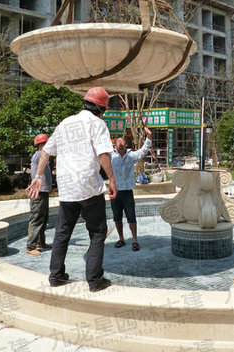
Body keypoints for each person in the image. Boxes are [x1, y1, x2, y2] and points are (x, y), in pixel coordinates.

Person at [28, 87, 117, 293]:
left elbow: (46, 152)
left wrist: (38, 177)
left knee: (62, 233)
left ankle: (56, 275)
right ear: (101, 109)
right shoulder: (97, 124)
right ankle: (95, 280)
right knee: (98, 232)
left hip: (67, 188)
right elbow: (103, 154)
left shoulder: (65, 123)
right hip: (88, 186)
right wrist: (112, 179)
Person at [110, 126, 152, 251]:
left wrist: (149, 137)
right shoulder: (110, 156)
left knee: (131, 216)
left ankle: (134, 240)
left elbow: (143, 151)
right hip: (115, 191)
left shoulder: (131, 156)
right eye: (118, 141)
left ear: (126, 144)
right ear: (115, 145)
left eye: (122, 141)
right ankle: (121, 238)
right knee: (117, 217)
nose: (120, 143)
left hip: (127, 190)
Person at [24, 134, 52, 256]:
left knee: (43, 218)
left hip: (43, 191)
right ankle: (30, 246)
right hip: (38, 192)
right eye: (47, 143)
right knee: (36, 218)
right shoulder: (40, 155)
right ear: (41, 145)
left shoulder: (43, 156)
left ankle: (40, 242)